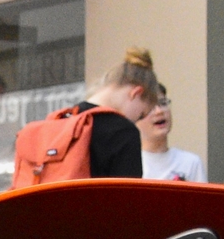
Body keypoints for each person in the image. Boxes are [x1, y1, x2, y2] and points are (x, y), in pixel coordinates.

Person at [10, 48, 156, 183]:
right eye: (141, 115)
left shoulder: (61, 121)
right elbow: (128, 199)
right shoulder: (123, 132)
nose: (136, 120)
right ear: (136, 93)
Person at [138, 83, 206, 181]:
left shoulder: (190, 163)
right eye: (150, 106)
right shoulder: (128, 166)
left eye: (163, 103)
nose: (159, 111)